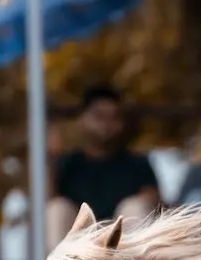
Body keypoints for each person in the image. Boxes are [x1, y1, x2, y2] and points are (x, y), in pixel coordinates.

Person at [49, 86, 159, 249]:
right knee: (56, 210)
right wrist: (48, 158)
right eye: (98, 116)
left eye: (113, 117)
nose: (105, 124)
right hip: (77, 244)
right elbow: (45, 202)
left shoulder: (138, 163)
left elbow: (153, 204)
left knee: (134, 207)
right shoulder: (67, 164)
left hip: (121, 243)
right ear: (82, 119)